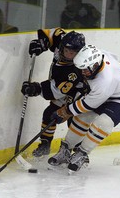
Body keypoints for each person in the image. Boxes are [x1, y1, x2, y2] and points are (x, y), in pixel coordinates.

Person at [47, 44, 120, 173]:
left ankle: (82, 154)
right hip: (111, 91)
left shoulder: (105, 80)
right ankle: (65, 150)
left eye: (85, 69)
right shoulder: (97, 56)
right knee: (83, 117)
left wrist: (65, 111)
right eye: (81, 68)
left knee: (103, 123)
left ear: (95, 65)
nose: (83, 73)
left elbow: (88, 104)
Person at [21, 28, 88, 158]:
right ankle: (45, 145)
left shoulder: (75, 71)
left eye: (72, 53)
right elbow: (54, 33)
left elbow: (56, 92)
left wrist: (36, 88)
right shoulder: (61, 41)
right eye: (66, 50)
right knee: (48, 114)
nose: (68, 54)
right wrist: (42, 43)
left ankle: (79, 152)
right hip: (62, 87)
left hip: (77, 93)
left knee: (73, 121)